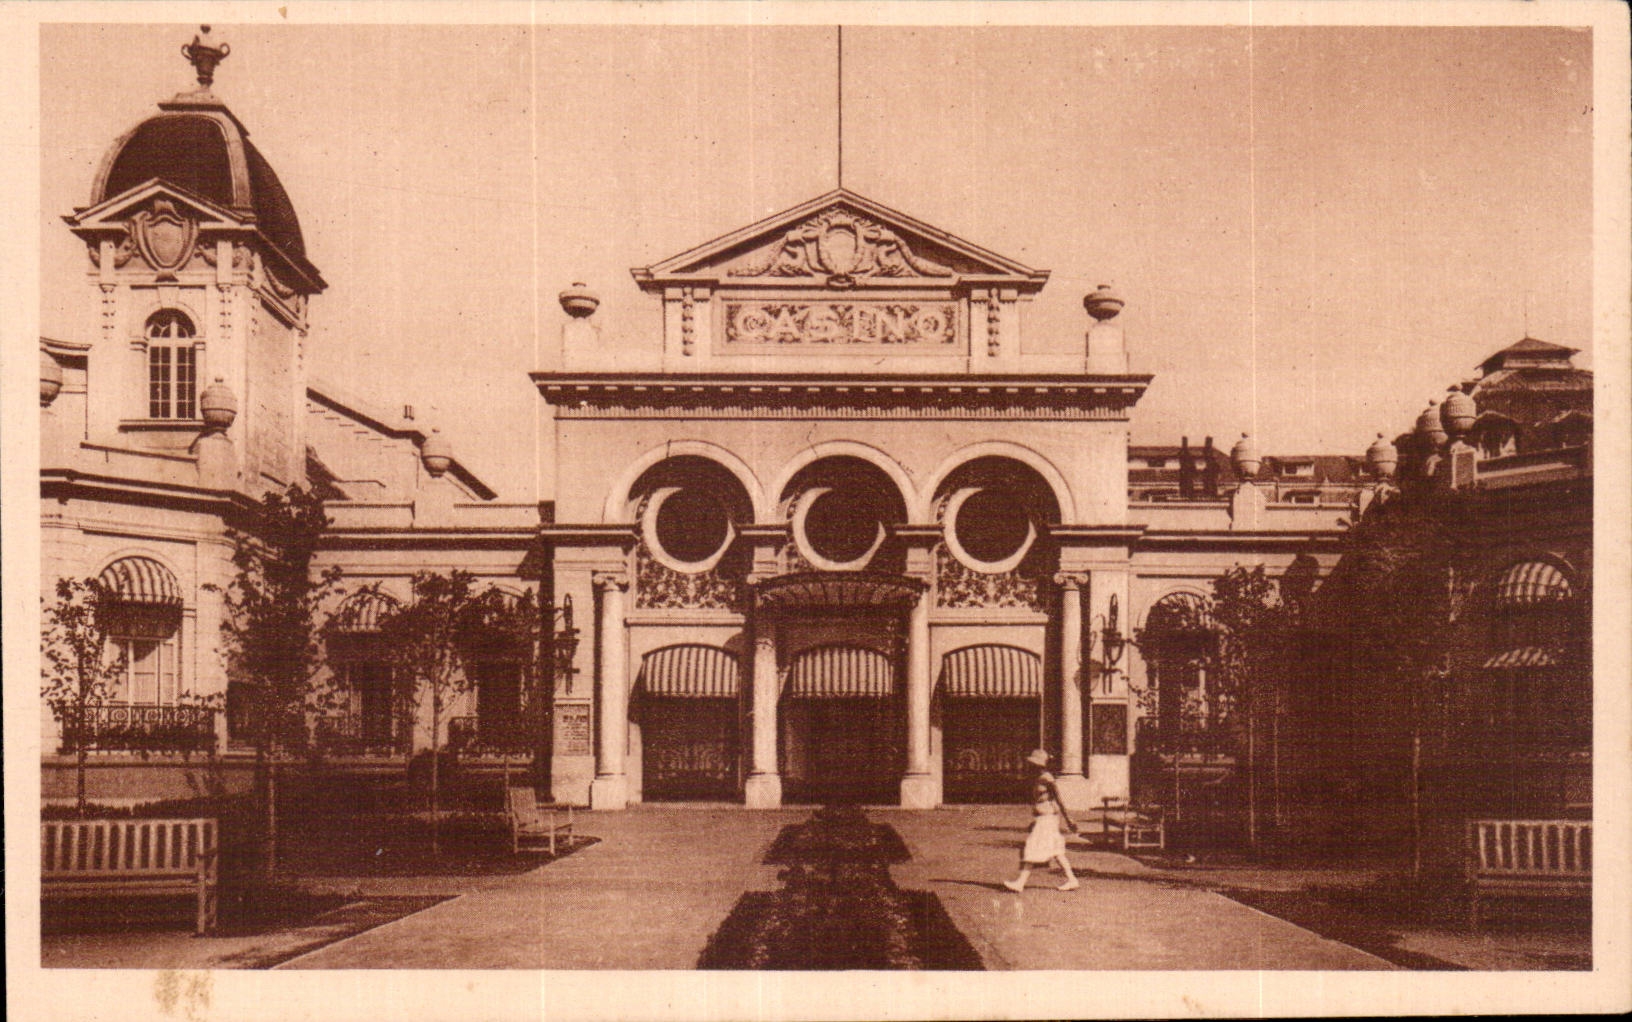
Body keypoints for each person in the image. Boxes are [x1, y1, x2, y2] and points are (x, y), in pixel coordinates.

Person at [1003, 749, 1080, 892]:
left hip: (1047, 819)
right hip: (1044, 818)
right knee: (1056, 851)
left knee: (1032, 847)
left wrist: (1069, 819)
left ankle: (1020, 882)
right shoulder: (1039, 778)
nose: (1030, 766)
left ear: (1039, 765)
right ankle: (1072, 879)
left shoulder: (1047, 778)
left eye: (1033, 764)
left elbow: (1059, 799)